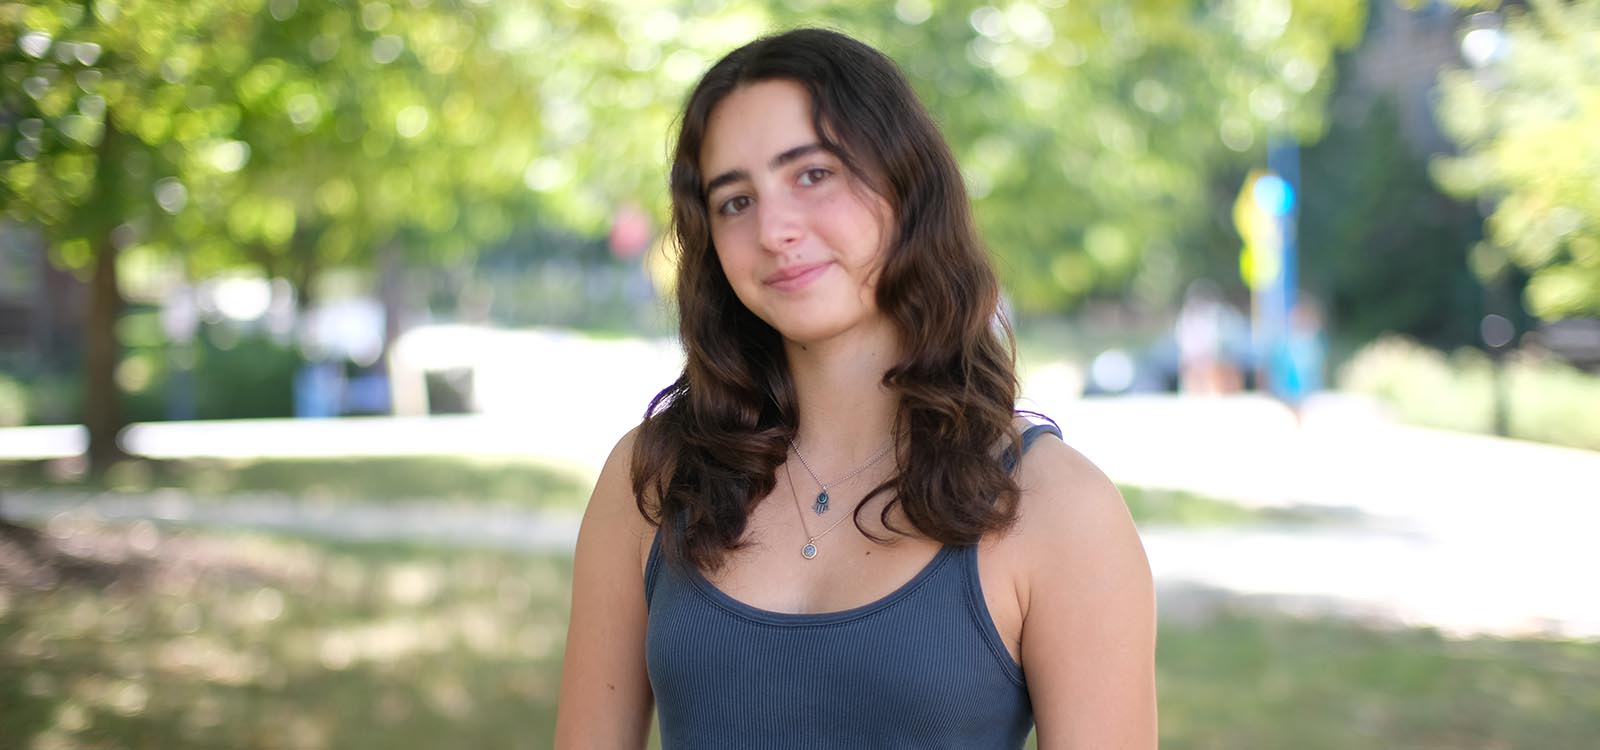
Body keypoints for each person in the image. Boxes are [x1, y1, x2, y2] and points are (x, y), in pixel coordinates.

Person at [555, 28, 1155, 749]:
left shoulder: (1060, 507)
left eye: (812, 175)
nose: (775, 229)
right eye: (735, 201)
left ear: (906, 183)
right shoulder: (651, 478)